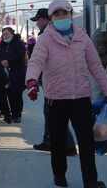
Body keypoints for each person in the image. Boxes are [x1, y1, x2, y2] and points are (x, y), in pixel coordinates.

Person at [26, 0, 107, 188]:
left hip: (81, 98)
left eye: (64, 13)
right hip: (56, 99)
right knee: (58, 142)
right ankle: (60, 176)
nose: (61, 17)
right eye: (56, 14)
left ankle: (90, 181)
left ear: (70, 14)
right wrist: (32, 81)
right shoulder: (45, 39)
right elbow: (36, 62)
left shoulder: (82, 37)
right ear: (51, 18)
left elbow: (95, 66)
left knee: (86, 142)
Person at [30, 8, 77, 156]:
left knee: (54, 113)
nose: (37, 23)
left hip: (55, 81)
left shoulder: (49, 36)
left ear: (46, 19)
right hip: (54, 80)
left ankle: (66, 145)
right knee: (51, 113)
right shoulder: (52, 34)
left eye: (38, 20)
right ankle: (50, 141)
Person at [0, 27, 27, 123]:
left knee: (17, 94)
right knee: (9, 94)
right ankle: (12, 113)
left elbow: (20, 56)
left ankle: (17, 114)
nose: (5, 36)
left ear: (12, 34)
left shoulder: (18, 43)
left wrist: (9, 62)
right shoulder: (2, 44)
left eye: (7, 34)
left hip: (17, 72)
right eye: (3, 34)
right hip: (6, 73)